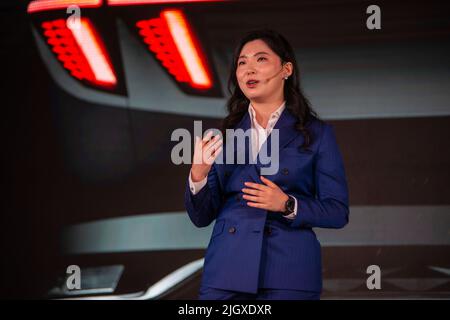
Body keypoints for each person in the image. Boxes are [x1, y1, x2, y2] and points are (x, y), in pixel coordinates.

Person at [184, 29, 349, 300]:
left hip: (288, 272)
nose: (249, 69)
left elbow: (337, 211)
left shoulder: (317, 134)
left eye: (260, 59)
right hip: (226, 272)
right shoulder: (225, 135)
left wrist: (287, 204)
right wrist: (198, 174)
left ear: (286, 69)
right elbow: (200, 217)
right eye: (242, 62)